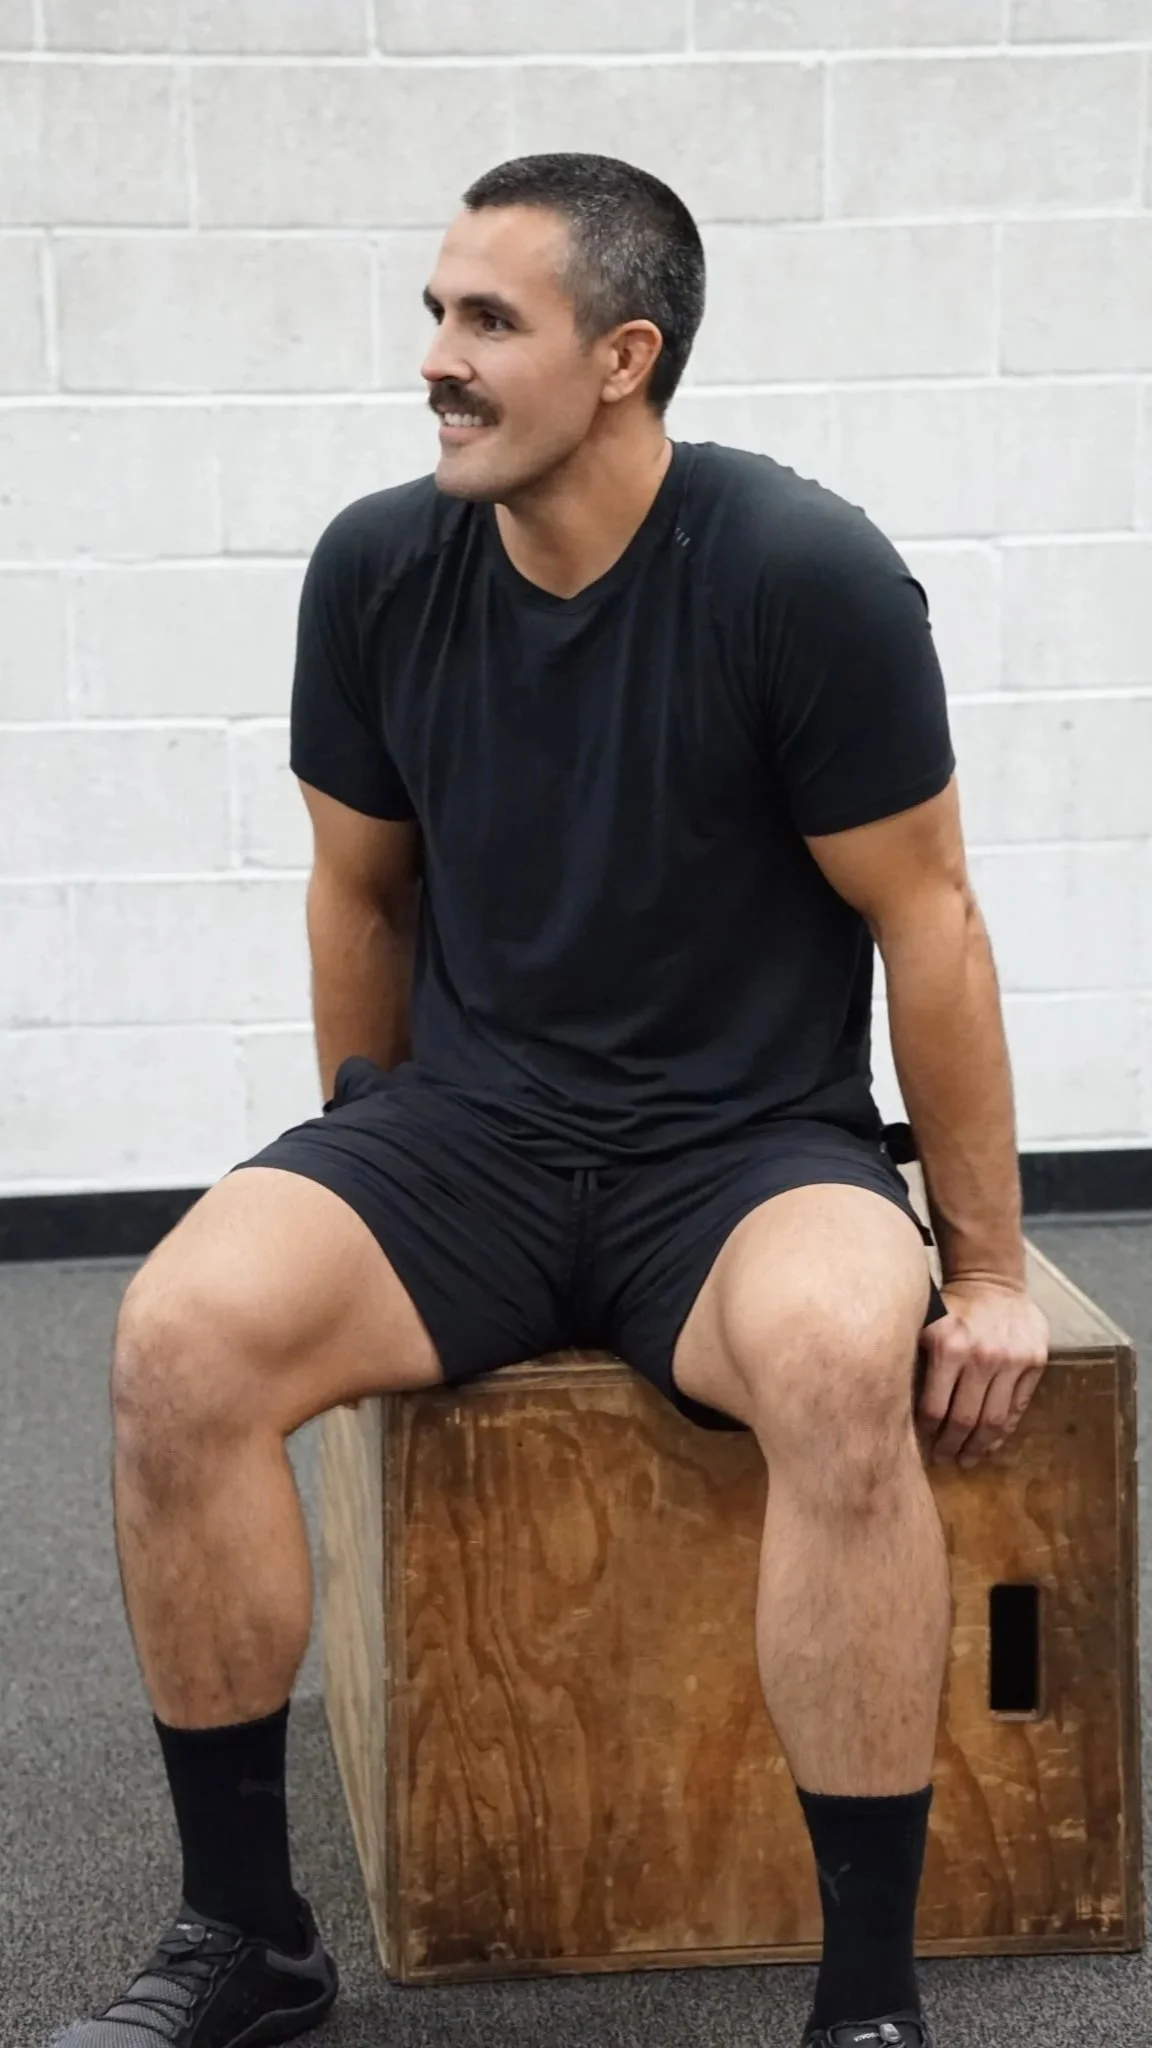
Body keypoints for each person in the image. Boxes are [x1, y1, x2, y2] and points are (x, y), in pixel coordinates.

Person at [52, 153, 1049, 2048]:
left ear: (623, 356)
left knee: (841, 1357)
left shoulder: (800, 573)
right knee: (179, 1336)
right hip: (473, 1139)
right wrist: (363, 1161)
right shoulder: (377, 569)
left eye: (488, 319)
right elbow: (361, 895)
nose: (436, 355)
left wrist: (988, 1271)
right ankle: (248, 1941)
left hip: (748, 1152)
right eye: (436, 311)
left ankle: (866, 2006)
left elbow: (931, 921)